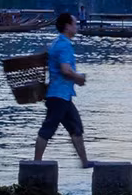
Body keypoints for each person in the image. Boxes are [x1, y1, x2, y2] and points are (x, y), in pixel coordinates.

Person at [34, 11, 90, 167]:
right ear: (67, 26)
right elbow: (66, 70)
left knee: (76, 127)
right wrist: (79, 78)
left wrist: (76, 79)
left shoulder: (57, 43)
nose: (76, 26)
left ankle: (84, 162)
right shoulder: (64, 45)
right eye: (74, 23)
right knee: (48, 128)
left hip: (63, 95)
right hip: (58, 95)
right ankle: (36, 163)